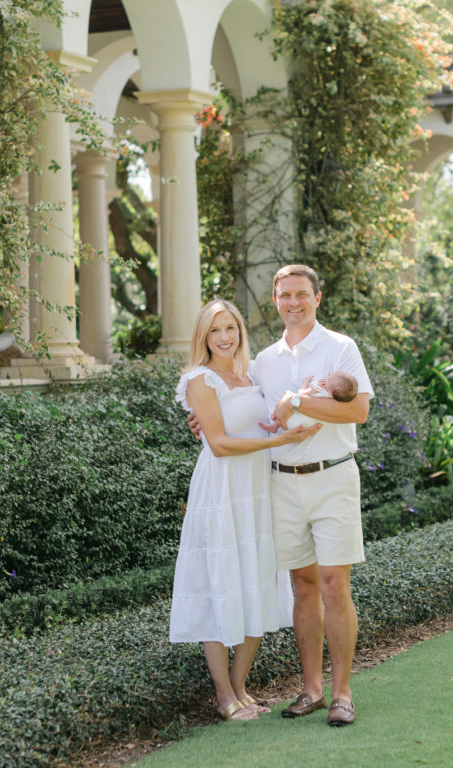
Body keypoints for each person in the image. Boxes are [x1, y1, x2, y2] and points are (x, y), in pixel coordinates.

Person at [170, 298, 322, 723]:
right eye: (215, 331)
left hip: (257, 491)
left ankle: (240, 686)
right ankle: (223, 695)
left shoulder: (252, 373)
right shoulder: (199, 379)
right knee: (222, 585)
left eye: (230, 329)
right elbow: (217, 444)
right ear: (203, 336)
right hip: (221, 492)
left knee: (256, 581)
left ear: (239, 331)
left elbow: (276, 408)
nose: (224, 338)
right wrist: (277, 444)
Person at [255, 264, 373, 727]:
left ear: (317, 297)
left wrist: (299, 401)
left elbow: (359, 409)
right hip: (282, 482)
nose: (293, 302)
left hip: (332, 477)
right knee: (301, 587)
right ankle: (312, 691)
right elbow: (245, 404)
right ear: (275, 300)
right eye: (285, 295)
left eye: (301, 294)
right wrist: (202, 418)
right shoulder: (264, 360)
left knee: (333, 584)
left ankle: (343, 693)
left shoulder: (340, 347)